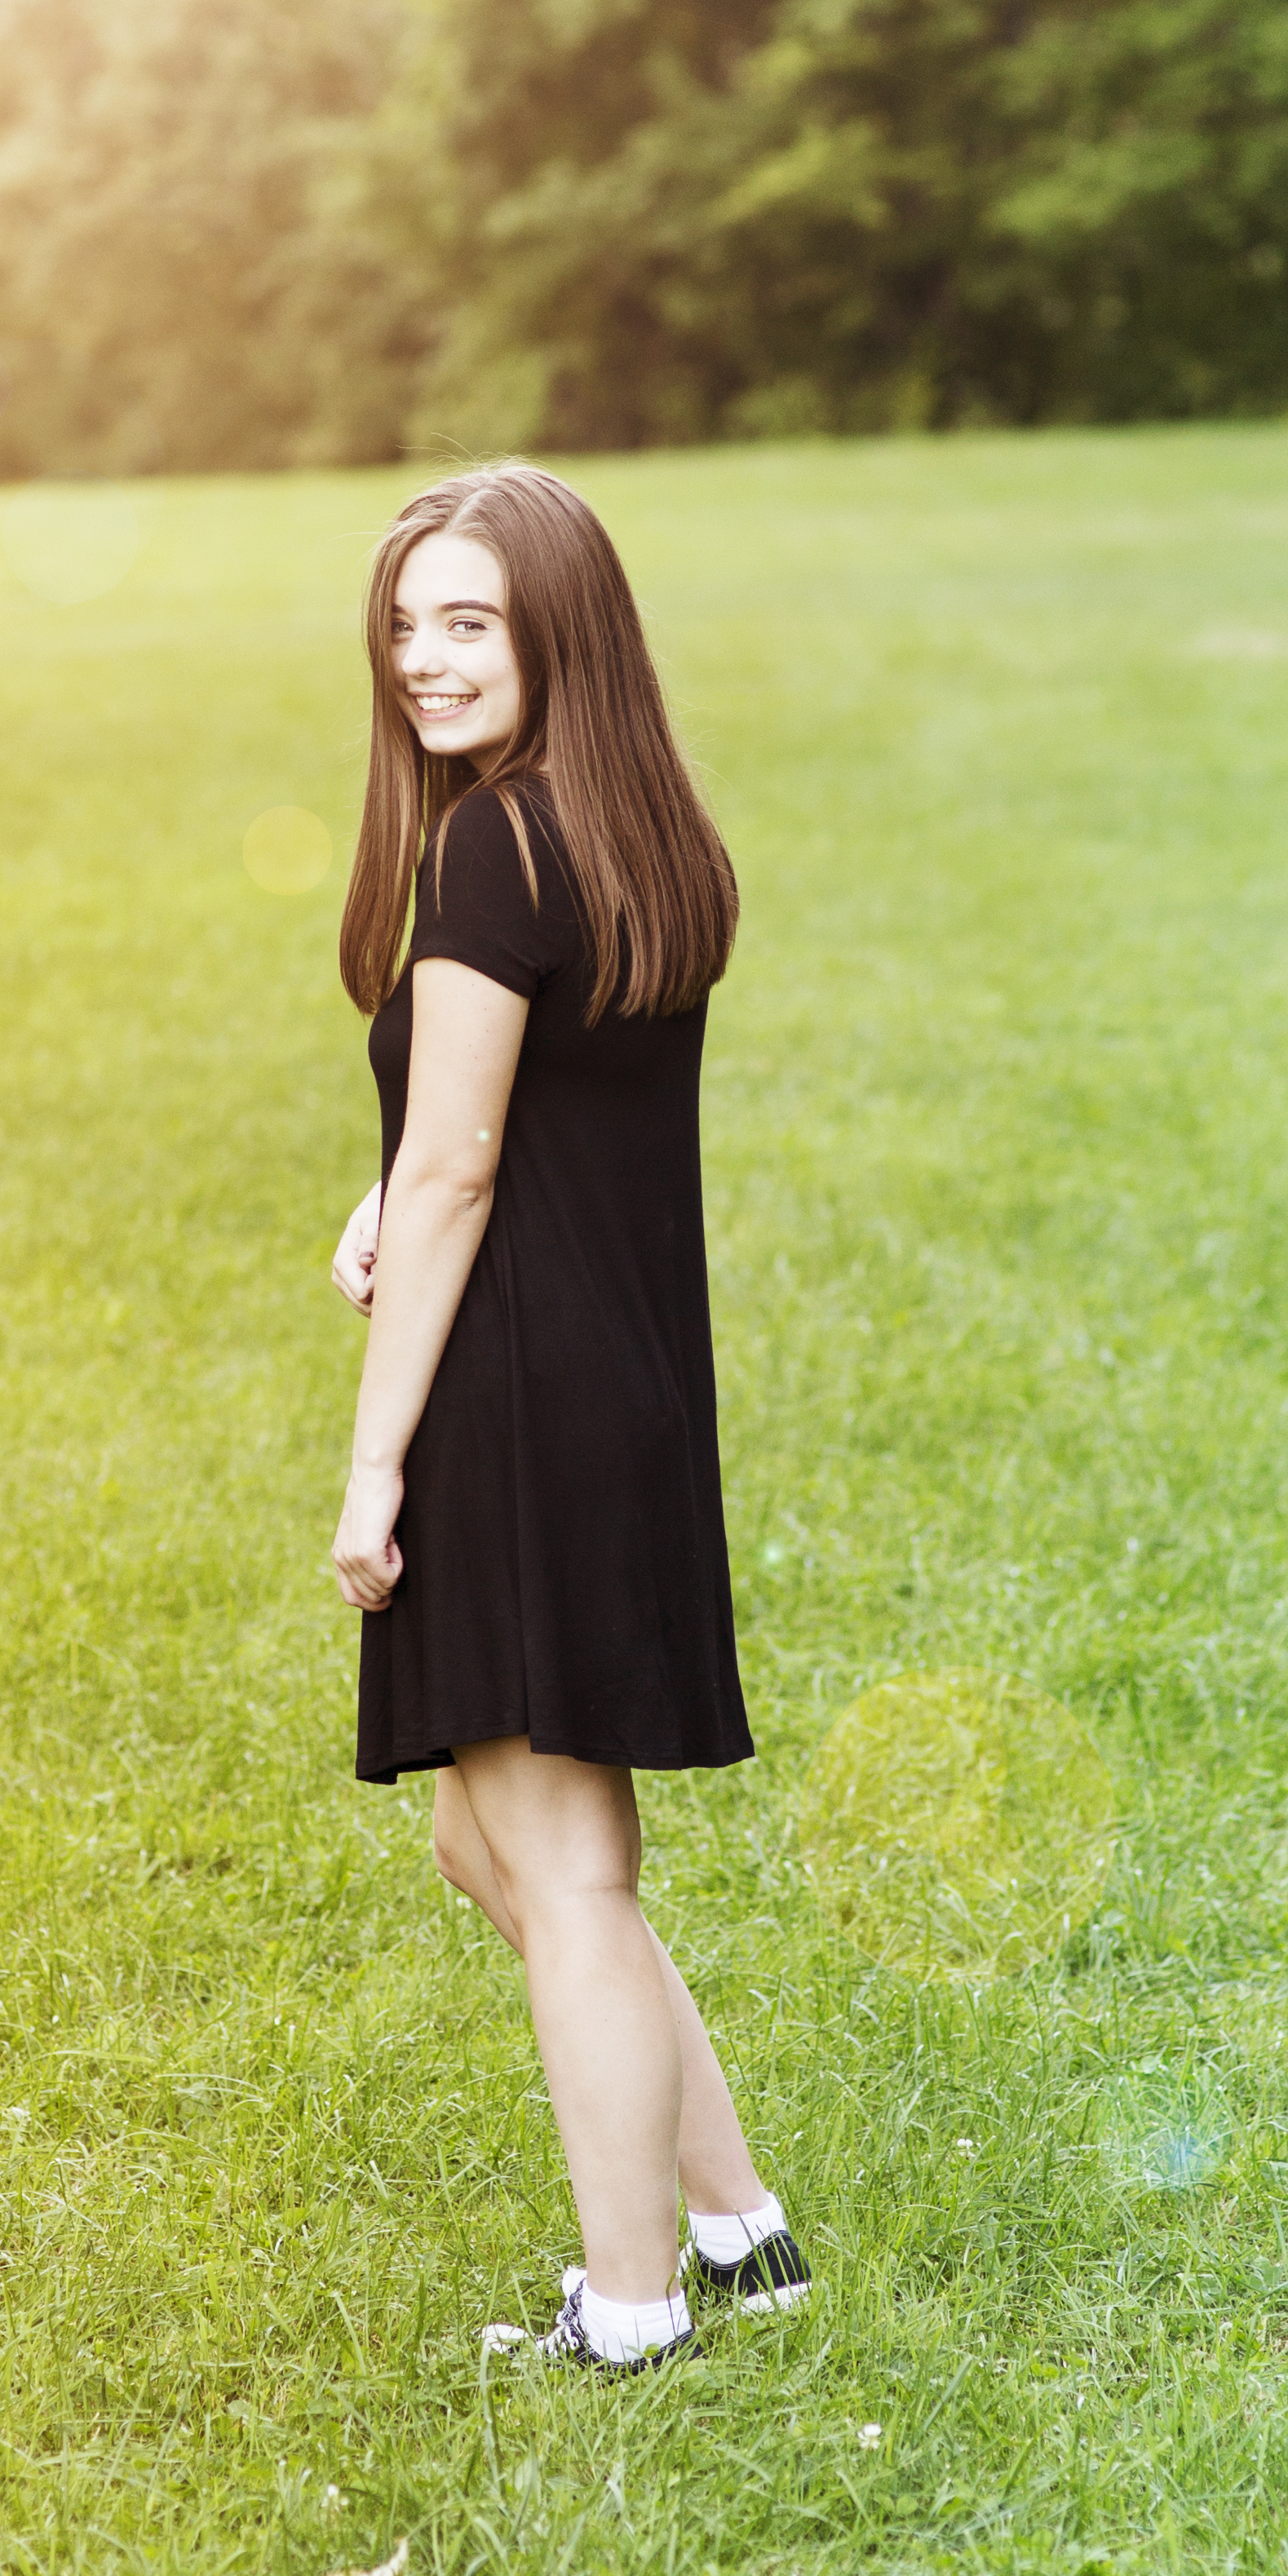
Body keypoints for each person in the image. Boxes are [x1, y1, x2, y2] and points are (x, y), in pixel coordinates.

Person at [326, 463, 809, 2373]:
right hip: (619, 1383)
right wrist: (392, 1183)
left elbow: (458, 1167)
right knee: (494, 1843)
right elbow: (498, 1122)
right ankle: (739, 2228)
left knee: (570, 1870)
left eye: (470, 623)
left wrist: (375, 1463)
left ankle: (634, 2312)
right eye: (406, 622)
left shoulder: (493, 850)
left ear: (556, 634)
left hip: (516, 1398)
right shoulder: (635, 833)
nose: (423, 659)